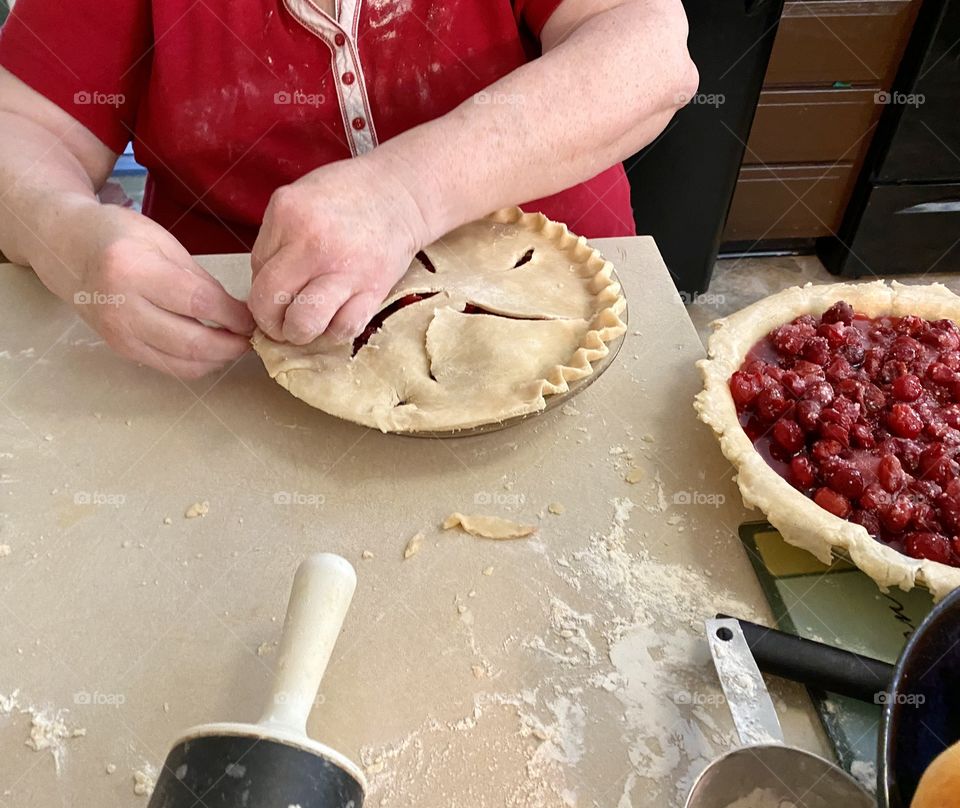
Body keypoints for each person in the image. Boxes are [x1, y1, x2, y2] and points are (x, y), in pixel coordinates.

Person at [0, 0, 697, 379]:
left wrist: (405, 193)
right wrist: (64, 233)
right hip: (244, 354)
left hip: (565, 315)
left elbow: (647, 52)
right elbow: (23, 129)